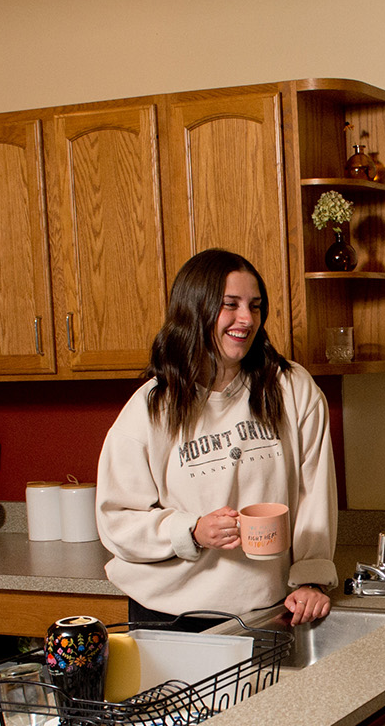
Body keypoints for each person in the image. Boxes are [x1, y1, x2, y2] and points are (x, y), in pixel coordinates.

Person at [97, 248, 336, 628]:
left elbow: (313, 494)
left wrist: (310, 579)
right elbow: (117, 521)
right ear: (196, 309)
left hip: (268, 609)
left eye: (255, 306)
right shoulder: (152, 407)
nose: (246, 319)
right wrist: (190, 530)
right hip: (168, 612)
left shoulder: (291, 388)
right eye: (231, 305)